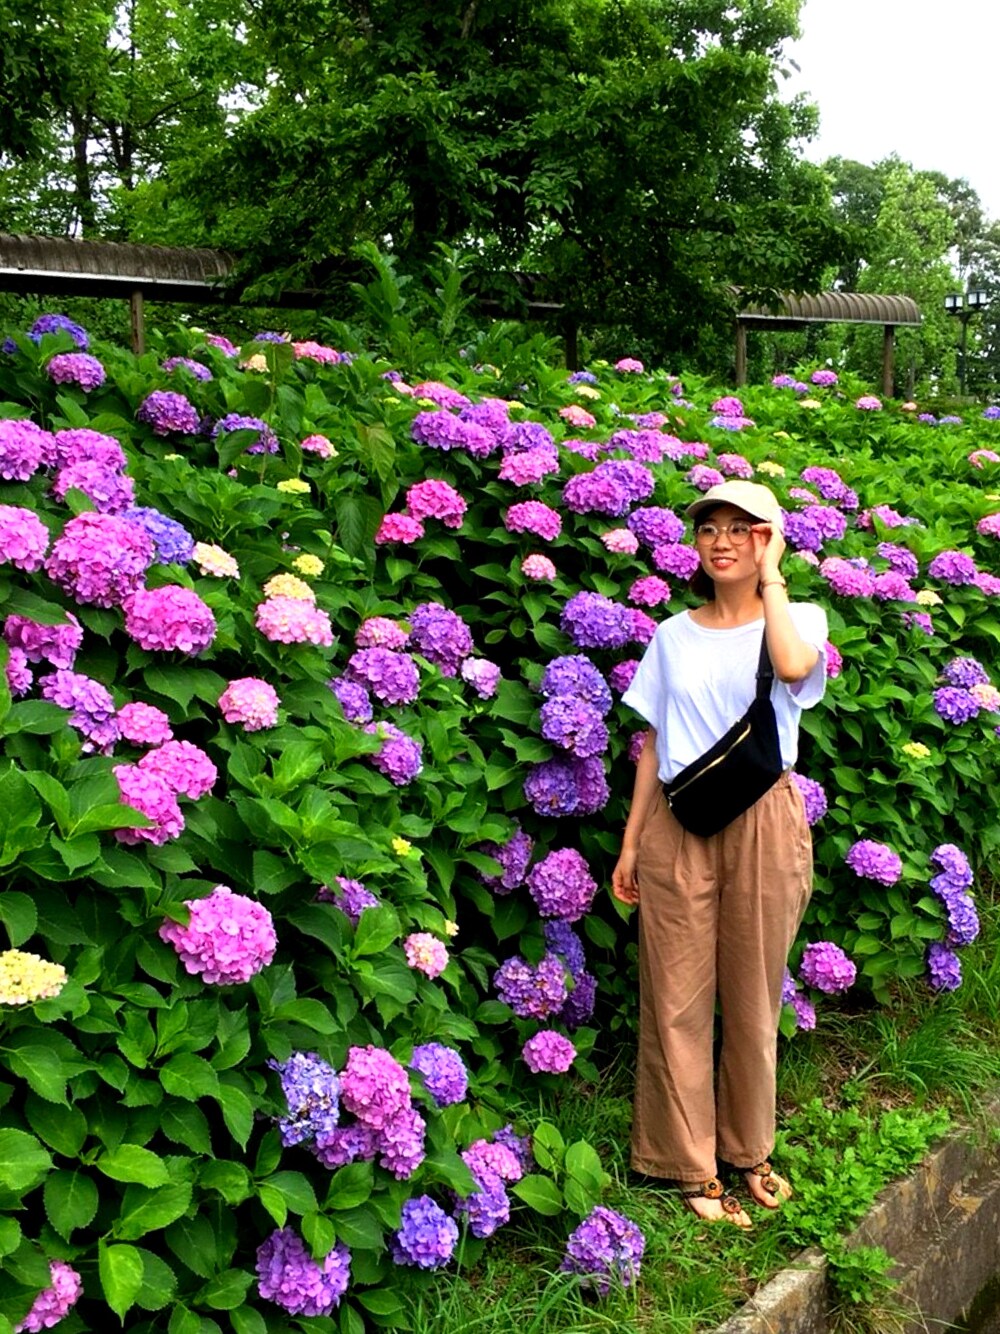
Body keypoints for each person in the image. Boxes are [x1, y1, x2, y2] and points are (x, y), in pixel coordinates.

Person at [612, 480, 828, 1228]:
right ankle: (688, 1163)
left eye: (745, 527)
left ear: (772, 538)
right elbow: (655, 742)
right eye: (710, 528)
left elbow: (794, 670)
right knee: (674, 997)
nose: (724, 540)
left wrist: (772, 581)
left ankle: (749, 1149)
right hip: (679, 819)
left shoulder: (797, 618)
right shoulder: (672, 635)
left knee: (753, 994)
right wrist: (633, 842)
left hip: (764, 818)